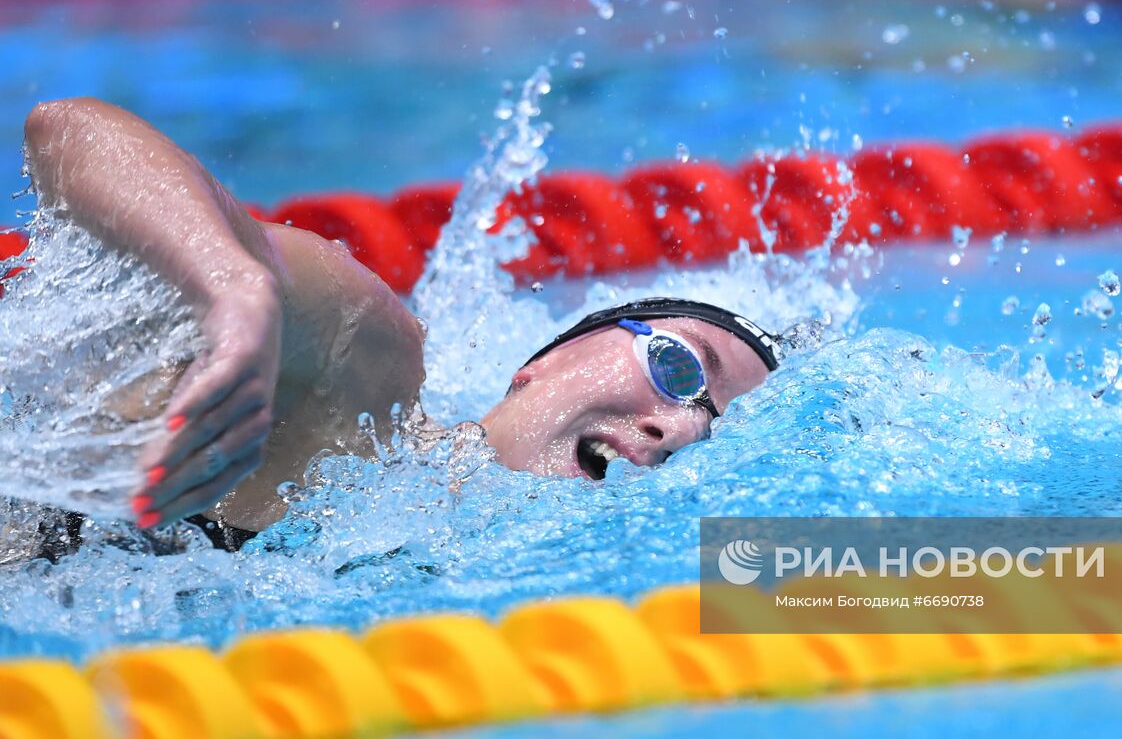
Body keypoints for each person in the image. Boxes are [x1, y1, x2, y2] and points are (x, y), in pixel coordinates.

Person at [14, 98, 780, 550]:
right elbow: (69, 132)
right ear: (547, 359)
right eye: (680, 367)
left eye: (717, 435)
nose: (684, 429)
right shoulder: (362, 375)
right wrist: (232, 286)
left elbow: (843, 591)